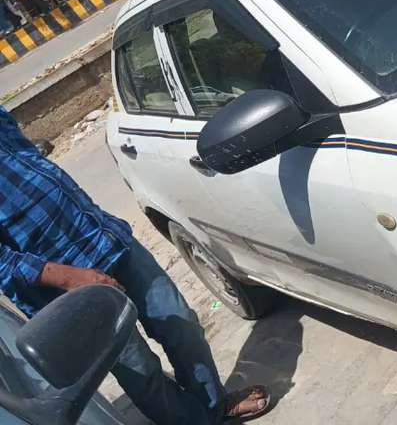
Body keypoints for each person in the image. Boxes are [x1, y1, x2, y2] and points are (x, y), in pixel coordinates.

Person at [0, 107, 269, 424]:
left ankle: (214, 405)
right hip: (64, 293)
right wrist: (72, 278)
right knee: (140, 369)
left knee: (182, 326)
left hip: (107, 241)